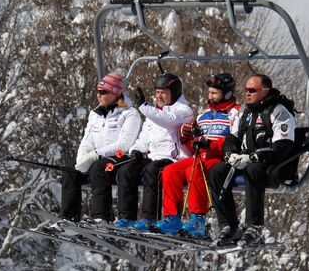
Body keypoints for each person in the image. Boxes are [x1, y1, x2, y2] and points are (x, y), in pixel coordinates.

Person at [207, 73, 296, 247]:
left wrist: (255, 157)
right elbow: (232, 137)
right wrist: (230, 154)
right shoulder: (245, 112)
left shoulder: (279, 112)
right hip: (245, 160)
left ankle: (254, 226)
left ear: (264, 91)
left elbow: (283, 145)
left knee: (253, 169)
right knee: (216, 171)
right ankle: (229, 224)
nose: (247, 94)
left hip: (271, 164)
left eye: (252, 90)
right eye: (246, 90)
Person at [156, 73, 241, 236]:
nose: (210, 96)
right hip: (199, 157)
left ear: (227, 93)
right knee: (170, 171)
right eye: (209, 92)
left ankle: (198, 219)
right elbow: (193, 145)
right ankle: (172, 218)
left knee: (194, 171)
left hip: (218, 158)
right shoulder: (204, 114)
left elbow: (235, 139)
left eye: (215, 93)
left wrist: (211, 145)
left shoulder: (235, 113)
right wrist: (187, 137)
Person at [112, 73, 194, 230]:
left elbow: (167, 119)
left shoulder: (183, 110)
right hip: (152, 157)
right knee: (126, 170)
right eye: (157, 92)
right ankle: (126, 218)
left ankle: (150, 218)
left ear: (174, 93)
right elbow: (144, 138)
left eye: (163, 92)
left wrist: (144, 107)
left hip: (172, 159)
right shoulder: (152, 114)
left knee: (152, 171)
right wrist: (136, 150)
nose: (159, 96)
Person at [61, 73, 141, 222]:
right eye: (98, 91)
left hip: (119, 157)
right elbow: (88, 139)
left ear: (116, 93)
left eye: (104, 92)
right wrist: (83, 154)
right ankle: (69, 217)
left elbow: (124, 144)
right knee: (70, 170)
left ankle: (102, 217)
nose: (99, 95)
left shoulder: (130, 114)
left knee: (99, 168)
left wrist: (95, 155)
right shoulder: (95, 114)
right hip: (99, 156)